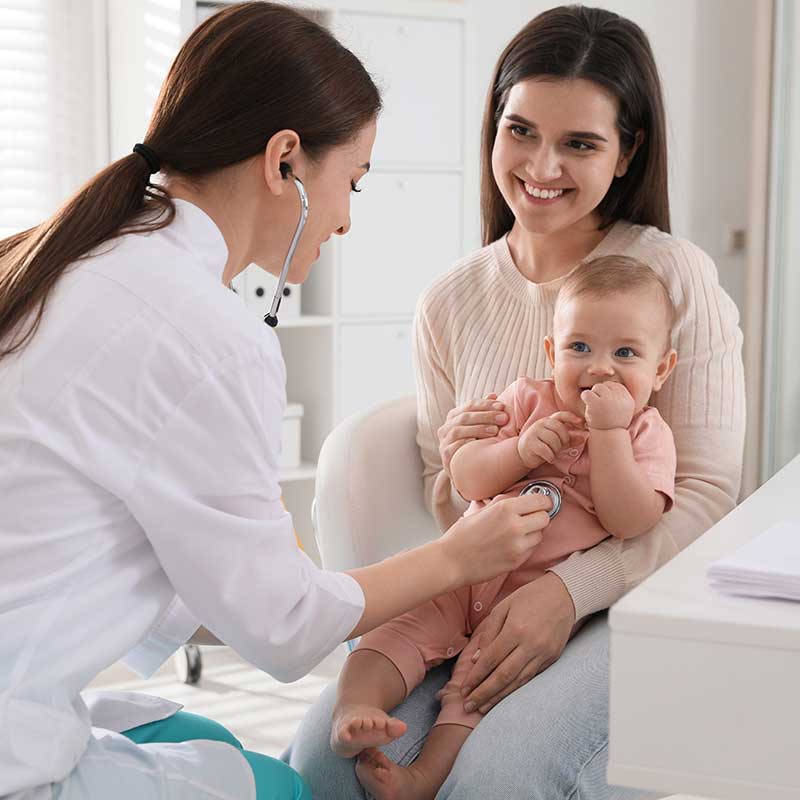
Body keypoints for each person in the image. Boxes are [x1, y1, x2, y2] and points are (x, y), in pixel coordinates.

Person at [0, 4, 555, 800]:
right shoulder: (207, 333)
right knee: (287, 787)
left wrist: (286, 579)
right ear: (285, 159)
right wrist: (457, 557)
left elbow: (177, 565)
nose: (348, 218)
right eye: (351, 181)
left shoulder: (66, 258)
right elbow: (283, 627)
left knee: (201, 736)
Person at [288, 6, 745, 798]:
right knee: (322, 763)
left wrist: (571, 593)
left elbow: (704, 500)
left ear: (628, 152)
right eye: (521, 130)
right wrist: (470, 459)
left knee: (499, 775)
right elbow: (448, 492)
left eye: (580, 142)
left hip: (622, 605)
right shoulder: (452, 300)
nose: (541, 165)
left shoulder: (674, 279)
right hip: (480, 591)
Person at [330, 256, 678, 799]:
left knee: (478, 689)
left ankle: (421, 779)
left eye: (626, 353)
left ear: (661, 370)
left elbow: (631, 520)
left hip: (526, 609)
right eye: (579, 348)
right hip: (461, 574)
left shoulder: (645, 433)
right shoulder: (524, 400)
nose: (600, 369)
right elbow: (465, 478)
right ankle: (355, 708)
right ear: (550, 351)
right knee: (390, 634)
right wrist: (517, 450)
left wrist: (608, 434)